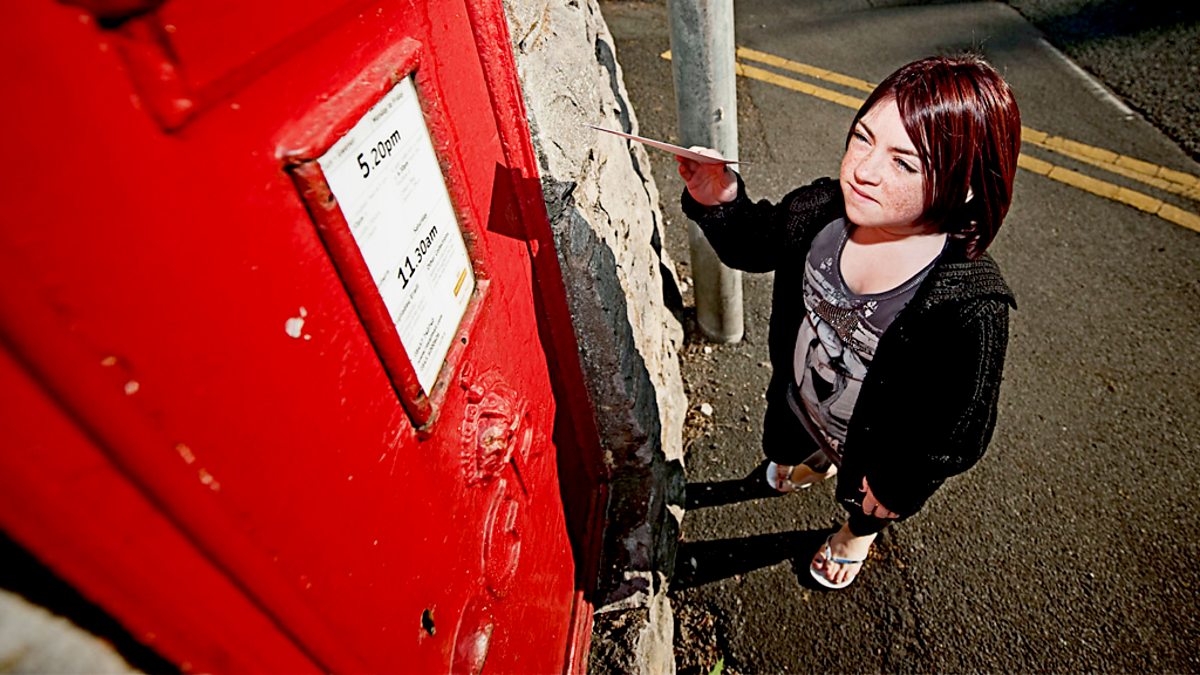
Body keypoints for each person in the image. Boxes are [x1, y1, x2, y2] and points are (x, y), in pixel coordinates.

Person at [676, 54, 1021, 589]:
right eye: (863, 138)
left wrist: (899, 485)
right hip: (800, 397)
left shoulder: (967, 307)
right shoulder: (823, 212)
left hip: (880, 451)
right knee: (785, 447)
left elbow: (959, 430)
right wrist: (720, 202)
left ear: (967, 186)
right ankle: (814, 460)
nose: (864, 170)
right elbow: (756, 241)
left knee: (868, 502)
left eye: (905, 163)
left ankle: (854, 535)